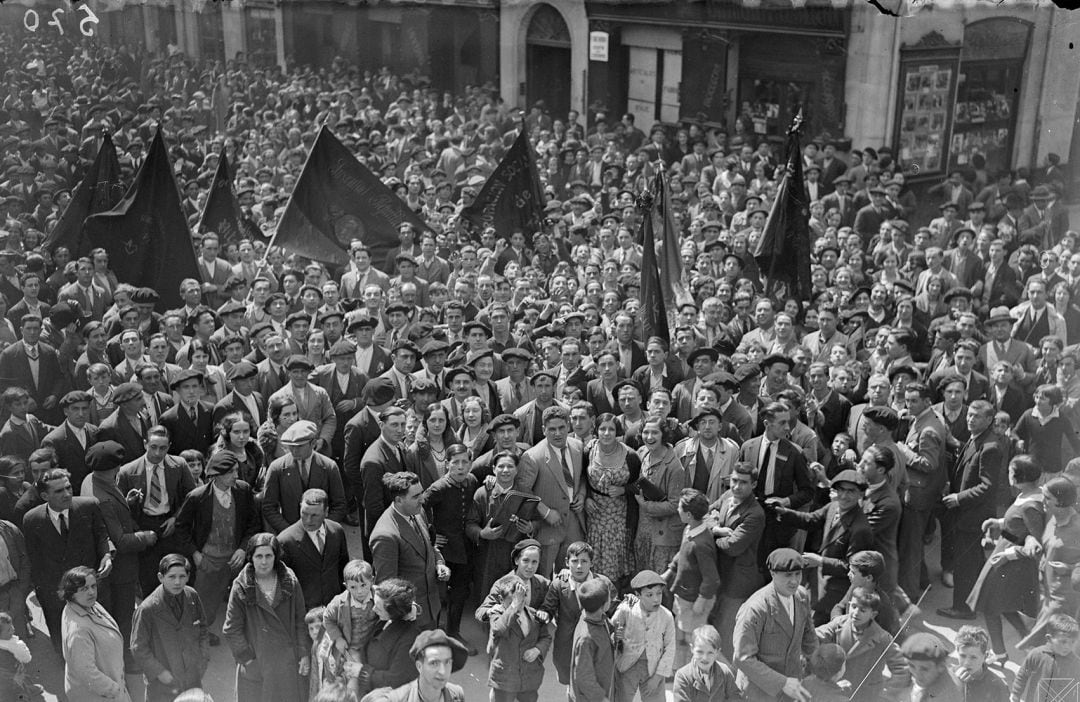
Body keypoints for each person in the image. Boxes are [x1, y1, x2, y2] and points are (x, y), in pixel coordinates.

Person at [22, 468, 112, 654]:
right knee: (64, 643)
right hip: (56, 592)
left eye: (68, 488)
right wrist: (45, 591)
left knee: (100, 640)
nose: (67, 494)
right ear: (45, 495)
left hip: (90, 586)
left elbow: (102, 535)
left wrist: (106, 555)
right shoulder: (32, 519)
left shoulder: (89, 506)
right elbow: (34, 559)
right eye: (59, 491)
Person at [174, 451, 260, 646]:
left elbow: (253, 524)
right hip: (208, 560)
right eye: (230, 472)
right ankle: (194, 636)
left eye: (236, 471)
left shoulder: (243, 491)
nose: (236, 476)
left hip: (234, 559)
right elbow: (181, 528)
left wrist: (242, 548)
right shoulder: (198, 497)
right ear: (217, 474)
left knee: (237, 597)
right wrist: (195, 554)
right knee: (203, 601)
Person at [83, 441, 157, 666]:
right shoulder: (103, 498)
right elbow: (122, 541)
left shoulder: (92, 479)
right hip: (121, 569)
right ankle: (126, 659)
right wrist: (147, 537)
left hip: (109, 564)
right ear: (115, 468)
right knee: (123, 615)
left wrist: (127, 501)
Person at [966, 454, 1044, 661]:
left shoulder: (1031, 505)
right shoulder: (1029, 494)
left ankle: (999, 653)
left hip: (1011, 562)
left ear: (1018, 477)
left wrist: (1008, 555)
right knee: (1002, 603)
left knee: (991, 606)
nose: (1008, 475)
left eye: (1010, 471)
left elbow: (1038, 545)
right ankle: (1028, 641)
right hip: (1005, 553)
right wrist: (999, 522)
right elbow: (1018, 523)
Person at [222, 532, 311, 702]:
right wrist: (248, 660)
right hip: (257, 664)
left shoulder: (290, 581)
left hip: (286, 664)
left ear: (276, 556)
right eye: (259, 556)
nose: (264, 562)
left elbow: (301, 620)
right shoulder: (241, 586)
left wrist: (303, 653)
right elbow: (231, 629)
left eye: (269, 556)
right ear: (251, 557)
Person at [938, 400, 1005, 620]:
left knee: (965, 564)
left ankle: (963, 609)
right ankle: (979, 603)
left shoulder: (991, 447)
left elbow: (987, 486)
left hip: (972, 515)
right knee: (973, 561)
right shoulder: (976, 438)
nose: (970, 419)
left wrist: (959, 497)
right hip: (966, 513)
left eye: (977, 416)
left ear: (989, 420)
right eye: (969, 415)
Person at [116, 424, 197, 597]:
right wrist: (140, 532)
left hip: (170, 524)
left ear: (169, 446)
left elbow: (191, 497)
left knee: (175, 573)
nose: (158, 453)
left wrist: (176, 518)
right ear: (145, 444)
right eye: (153, 447)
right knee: (149, 576)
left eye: (163, 448)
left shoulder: (179, 465)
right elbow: (119, 509)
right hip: (144, 524)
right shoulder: (127, 471)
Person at [732, 548, 818, 702]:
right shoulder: (755, 609)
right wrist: (782, 683)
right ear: (773, 574)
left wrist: (823, 674)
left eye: (798, 574)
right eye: (788, 575)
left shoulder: (801, 596)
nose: (794, 581)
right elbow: (742, 658)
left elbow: (809, 640)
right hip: (758, 693)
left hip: (792, 689)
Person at [369, 471, 449, 631]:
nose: (422, 499)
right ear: (399, 500)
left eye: (421, 493)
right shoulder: (386, 535)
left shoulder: (417, 512)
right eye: (415, 496)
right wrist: (406, 612)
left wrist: (439, 563)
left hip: (432, 606)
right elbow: (387, 587)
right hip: (411, 618)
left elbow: (429, 546)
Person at [514, 405, 587, 578]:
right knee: (543, 576)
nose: (558, 433)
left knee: (572, 575)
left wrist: (582, 495)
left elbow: (582, 477)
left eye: (562, 428)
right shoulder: (533, 456)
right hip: (547, 528)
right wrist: (545, 512)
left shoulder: (577, 447)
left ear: (568, 426)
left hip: (574, 523)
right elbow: (523, 491)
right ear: (543, 430)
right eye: (552, 429)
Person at [421, 443, 479, 651]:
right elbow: (418, 509)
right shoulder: (439, 488)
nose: (461, 467)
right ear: (447, 464)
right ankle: (435, 636)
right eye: (456, 462)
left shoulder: (471, 481)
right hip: (444, 551)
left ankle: (454, 633)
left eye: (465, 462)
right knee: (439, 593)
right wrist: (431, 537)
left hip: (465, 547)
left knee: (460, 592)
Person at [130, 554, 211, 702]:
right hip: (163, 686)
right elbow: (138, 648)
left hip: (192, 680)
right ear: (161, 577)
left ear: (188, 577)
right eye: (172, 577)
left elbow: (203, 630)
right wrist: (160, 673)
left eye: (182, 576)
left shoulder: (192, 596)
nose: (177, 582)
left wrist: (202, 660)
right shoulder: (147, 609)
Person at [540, 541, 617, 685]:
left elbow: (614, 607)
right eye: (575, 561)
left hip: (596, 640)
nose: (579, 566)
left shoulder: (603, 582)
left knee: (593, 681)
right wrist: (545, 614)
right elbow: (548, 606)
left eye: (584, 561)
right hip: (567, 642)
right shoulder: (559, 584)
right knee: (571, 681)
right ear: (566, 562)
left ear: (592, 563)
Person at [815, 587, 908, 701]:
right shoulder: (839, 623)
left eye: (863, 610)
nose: (855, 613)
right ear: (849, 605)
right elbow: (817, 635)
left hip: (866, 695)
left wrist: (887, 694)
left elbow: (902, 668)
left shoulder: (882, 637)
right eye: (854, 607)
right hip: (837, 689)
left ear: (873, 614)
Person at [661, 489, 718, 666]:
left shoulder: (701, 544)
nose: (677, 510)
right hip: (684, 596)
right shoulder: (690, 530)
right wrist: (670, 571)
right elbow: (682, 554)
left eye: (679, 507)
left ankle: (694, 672)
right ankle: (679, 669)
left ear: (688, 514)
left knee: (693, 639)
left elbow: (711, 578)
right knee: (681, 635)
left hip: (694, 600)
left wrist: (701, 600)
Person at [584, 412, 639, 587]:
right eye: (602, 429)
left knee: (616, 556)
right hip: (595, 513)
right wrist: (585, 497)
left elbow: (640, 484)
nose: (607, 433)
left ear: (618, 432)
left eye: (611, 429)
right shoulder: (589, 451)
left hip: (619, 515)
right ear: (596, 431)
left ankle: (614, 592)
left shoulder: (630, 456)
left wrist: (624, 489)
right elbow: (581, 479)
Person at [262, 419, 347, 533]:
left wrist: (323, 528)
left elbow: (339, 505)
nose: (294, 451)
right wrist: (289, 532)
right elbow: (269, 507)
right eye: (291, 446)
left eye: (299, 446)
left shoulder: (329, 467)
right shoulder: (277, 468)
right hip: (290, 536)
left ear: (313, 443)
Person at [277, 488, 350, 609]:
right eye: (304, 513)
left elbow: (343, 569)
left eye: (314, 515)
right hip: (305, 612)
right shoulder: (285, 541)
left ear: (326, 512)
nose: (308, 520)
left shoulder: (336, 531)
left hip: (336, 608)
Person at [610, 569, 675, 702]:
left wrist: (658, 677)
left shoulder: (666, 616)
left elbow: (670, 647)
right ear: (638, 594)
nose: (656, 599)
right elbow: (610, 632)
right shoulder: (626, 609)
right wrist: (615, 636)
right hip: (627, 666)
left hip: (654, 668)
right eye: (649, 595)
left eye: (659, 593)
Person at [485, 576, 552, 702]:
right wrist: (514, 606)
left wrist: (537, 650)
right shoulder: (496, 615)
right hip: (505, 680)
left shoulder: (533, 614)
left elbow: (545, 637)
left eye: (522, 601)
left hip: (529, 679)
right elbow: (499, 629)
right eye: (511, 602)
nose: (518, 607)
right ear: (501, 600)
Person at [321, 559, 380, 701]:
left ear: (372, 581)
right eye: (353, 587)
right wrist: (338, 638)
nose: (359, 591)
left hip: (373, 645)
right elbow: (327, 619)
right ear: (346, 586)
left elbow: (396, 598)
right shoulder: (339, 602)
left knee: (375, 679)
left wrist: (413, 608)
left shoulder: (379, 595)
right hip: (353, 648)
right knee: (354, 681)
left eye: (363, 585)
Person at [357, 577, 423, 698]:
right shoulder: (386, 615)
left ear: (394, 612)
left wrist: (361, 672)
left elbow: (397, 680)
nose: (373, 609)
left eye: (378, 607)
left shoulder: (409, 640)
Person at [361, 629, 469, 702]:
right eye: (434, 663)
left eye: (447, 662)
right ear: (419, 666)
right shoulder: (397, 698)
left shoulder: (456, 693)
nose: (442, 671)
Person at [1012, 613, 1080, 702]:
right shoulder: (1036, 655)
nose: (1068, 646)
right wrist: (1016, 694)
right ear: (1049, 638)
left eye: (1072, 642)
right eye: (1063, 642)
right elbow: (1022, 675)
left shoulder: (1075, 662)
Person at [569, 577, 616, 702]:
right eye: (610, 598)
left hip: (602, 685)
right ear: (604, 604)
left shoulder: (595, 616)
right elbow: (583, 676)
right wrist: (600, 698)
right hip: (590, 697)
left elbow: (607, 627)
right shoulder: (586, 639)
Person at [671, 624, 740, 702]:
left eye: (710, 653)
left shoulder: (724, 672)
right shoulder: (683, 676)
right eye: (700, 652)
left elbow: (735, 697)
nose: (705, 658)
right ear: (692, 649)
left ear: (717, 652)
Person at [892, 632, 960, 702]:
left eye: (924, 669)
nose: (917, 674)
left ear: (941, 666)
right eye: (912, 666)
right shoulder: (933, 679)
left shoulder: (945, 696)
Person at [951, 626, 1008, 702]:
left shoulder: (997, 686)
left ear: (985, 656)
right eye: (963, 656)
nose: (967, 663)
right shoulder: (948, 676)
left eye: (973, 657)